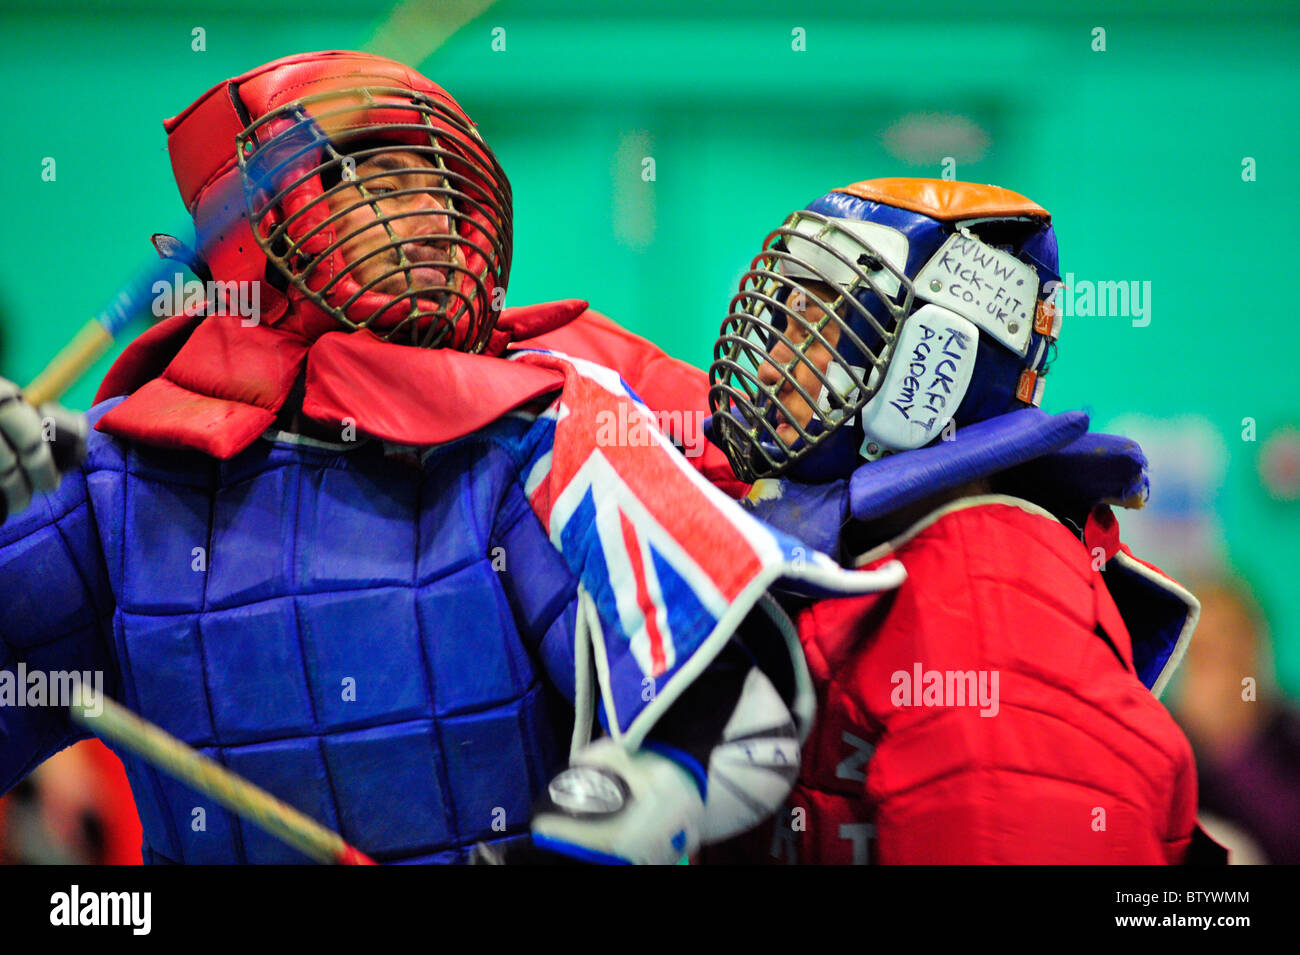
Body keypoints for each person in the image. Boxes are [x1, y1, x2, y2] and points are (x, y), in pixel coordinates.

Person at [0, 51, 894, 865]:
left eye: (442, 187)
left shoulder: (536, 433)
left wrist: (609, 830)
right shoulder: (121, 478)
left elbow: (729, 709)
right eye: (378, 180)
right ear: (249, 224)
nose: (432, 216)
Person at [704, 177, 1222, 863]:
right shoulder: (900, 550)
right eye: (779, 324)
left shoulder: (989, 601)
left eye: (811, 329)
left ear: (932, 355)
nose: (770, 372)